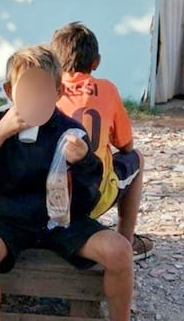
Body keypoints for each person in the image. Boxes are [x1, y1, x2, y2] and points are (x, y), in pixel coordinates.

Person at [0, 45, 167, 321]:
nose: (35, 98)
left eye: (42, 90)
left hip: (62, 220)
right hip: (8, 218)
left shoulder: (70, 132)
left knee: (119, 250)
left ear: (58, 92)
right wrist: (1, 132)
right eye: (26, 90)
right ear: (10, 92)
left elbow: (92, 196)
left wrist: (82, 161)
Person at [52, 22, 153, 260]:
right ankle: (126, 242)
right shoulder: (106, 89)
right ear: (96, 62)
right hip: (92, 197)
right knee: (136, 158)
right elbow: (126, 146)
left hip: (47, 197)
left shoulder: (47, 89)